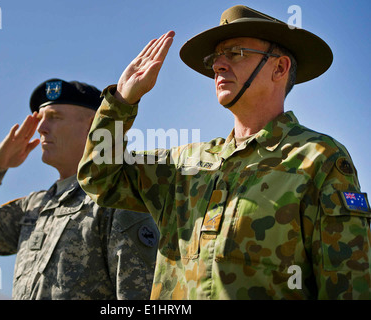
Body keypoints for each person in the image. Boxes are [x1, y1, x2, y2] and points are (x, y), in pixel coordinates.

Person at [77, 5, 371, 300]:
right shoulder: (184, 165)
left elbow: (349, 287)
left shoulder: (318, 158)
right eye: (215, 58)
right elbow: (99, 176)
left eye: (235, 53)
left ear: (279, 68)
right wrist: (121, 102)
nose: (218, 66)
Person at [0, 79, 159, 300]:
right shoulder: (35, 206)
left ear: (92, 126)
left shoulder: (116, 199)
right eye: (40, 119)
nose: (40, 129)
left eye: (54, 117)